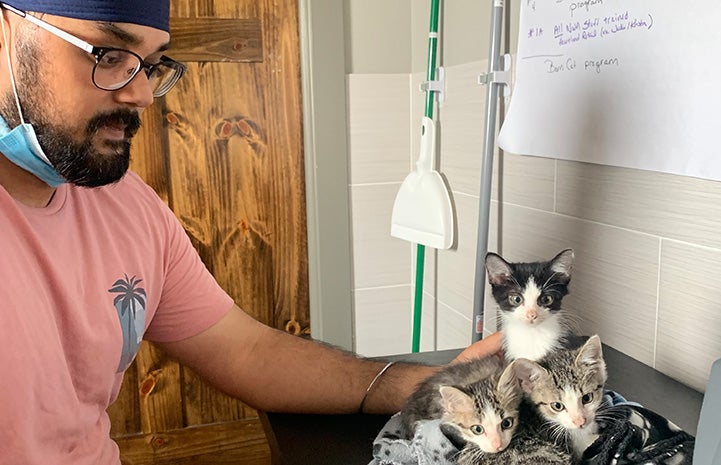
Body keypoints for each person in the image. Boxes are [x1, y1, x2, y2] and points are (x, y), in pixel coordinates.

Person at [0, 0, 503, 463]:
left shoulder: (128, 207)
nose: (140, 96)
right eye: (109, 55)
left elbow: (245, 351)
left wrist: (424, 385)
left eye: (151, 66)